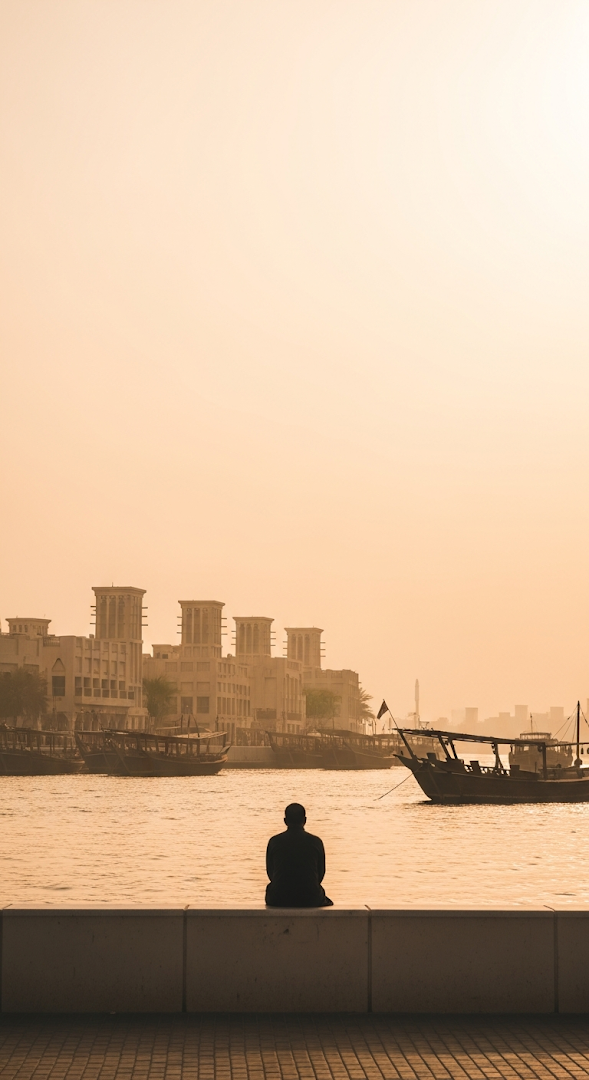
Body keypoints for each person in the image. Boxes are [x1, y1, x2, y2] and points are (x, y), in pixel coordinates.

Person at [265, 802, 333, 907]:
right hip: (311, 898)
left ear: (285, 821)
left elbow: (271, 873)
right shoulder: (315, 842)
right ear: (305, 820)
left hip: (278, 898)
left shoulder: (274, 841)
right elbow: (320, 874)